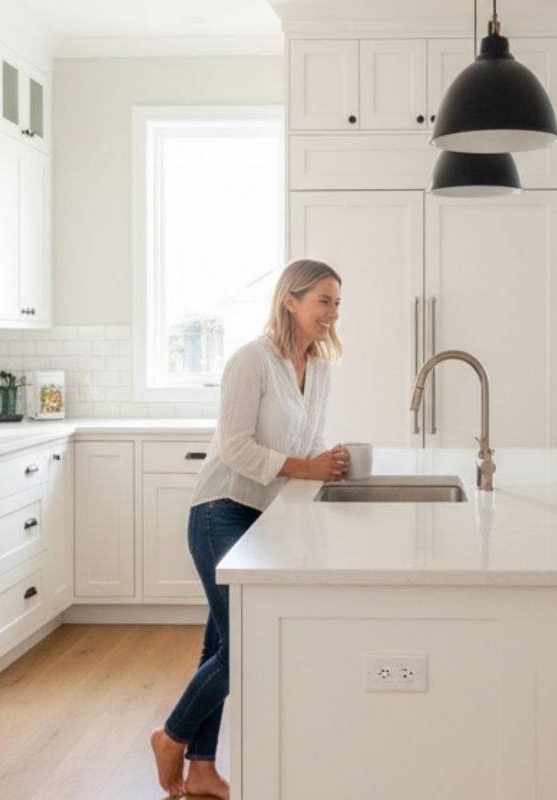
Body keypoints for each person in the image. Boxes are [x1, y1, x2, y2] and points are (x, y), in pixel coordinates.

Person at [150, 259, 350, 799]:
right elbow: (236, 447)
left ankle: (202, 768)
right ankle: (171, 736)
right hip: (221, 509)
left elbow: (306, 445)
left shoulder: (320, 369)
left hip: (266, 517)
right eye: (323, 301)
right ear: (291, 300)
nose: (332, 313)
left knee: (222, 642)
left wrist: (330, 461)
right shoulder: (252, 360)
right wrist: (306, 466)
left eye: (337, 303)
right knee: (245, 645)